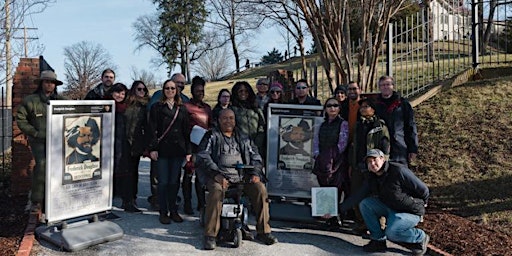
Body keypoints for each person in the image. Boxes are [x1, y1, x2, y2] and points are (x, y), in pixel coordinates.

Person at [196, 109, 278, 250]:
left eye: (231, 118)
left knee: (260, 189)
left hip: (242, 176)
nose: (228, 121)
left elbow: (256, 157)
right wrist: (216, 173)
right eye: (225, 118)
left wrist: (255, 173)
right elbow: (203, 155)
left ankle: (263, 231)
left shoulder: (244, 137)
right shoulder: (211, 136)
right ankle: (210, 235)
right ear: (218, 120)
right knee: (216, 191)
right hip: (218, 176)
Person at [355, 149, 430, 255]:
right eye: (369, 162)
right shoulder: (372, 176)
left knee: (392, 232)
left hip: (409, 210)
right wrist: (337, 210)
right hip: (390, 207)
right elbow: (357, 196)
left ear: (382, 159)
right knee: (366, 204)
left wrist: (423, 203)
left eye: (374, 160)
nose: (372, 163)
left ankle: (420, 237)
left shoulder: (398, 170)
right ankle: (378, 241)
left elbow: (423, 189)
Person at [16, 70, 67, 212]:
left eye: (53, 83)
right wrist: (34, 132)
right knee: (42, 165)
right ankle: (36, 201)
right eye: (47, 82)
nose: (50, 85)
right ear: (41, 83)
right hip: (39, 141)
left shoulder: (62, 101)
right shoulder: (31, 101)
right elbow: (21, 119)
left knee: (61, 167)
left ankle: (57, 197)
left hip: (59, 141)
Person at [148, 79, 192, 224]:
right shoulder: (156, 107)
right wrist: (153, 148)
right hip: (162, 150)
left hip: (178, 149)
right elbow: (152, 130)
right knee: (163, 182)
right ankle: (163, 211)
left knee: (174, 182)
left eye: (173, 88)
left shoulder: (182, 108)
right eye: (167, 88)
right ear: (163, 90)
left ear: (177, 90)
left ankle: (173, 210)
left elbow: (187, 131)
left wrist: (188, 151)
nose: (170, 91)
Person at [349, 97, 390, 233]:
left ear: (373, 109)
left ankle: (378, 226)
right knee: (356, 193)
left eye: (366, 106)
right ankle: (361, 223)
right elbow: (353, 145)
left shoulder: (380, 126)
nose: (363, 109)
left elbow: (385, 146)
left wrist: (382, 165)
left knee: (374, 195)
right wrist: (352, 163)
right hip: (358, 165)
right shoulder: (358, 125)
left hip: (373, 166)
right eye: (361, 107)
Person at [312, 98, 349, 222]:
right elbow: (316, 141)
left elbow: (342, 143)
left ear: (339, 108)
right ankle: (325, 215)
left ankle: (334, 217)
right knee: (324, 187)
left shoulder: (343, 123)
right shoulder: (322, 124)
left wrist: (332, 156)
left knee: (336, 188)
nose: (332, 108)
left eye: (335, 105)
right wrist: (317, 155)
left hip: (336, 161)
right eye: (329, 106)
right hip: (322, 160)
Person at [108, 83, 142, 213]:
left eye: (122, 93)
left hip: (124, 143)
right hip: (108, 145)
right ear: (112, 93)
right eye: (117, 93)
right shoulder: (104, 106)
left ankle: (127, 202)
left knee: (126, 173)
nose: (120, 96)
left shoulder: (126, 108)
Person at [182, 76, 213, 214]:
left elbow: (211, 124)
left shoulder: (207, 108)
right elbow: (182, 126)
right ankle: (187, 203)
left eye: (202, 91)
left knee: (202, 177)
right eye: (197, 91)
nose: (200, 93)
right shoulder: (186, 107)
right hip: (190, 144)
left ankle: (202, 204)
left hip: (203, 146)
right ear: (192, 91)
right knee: (188, 175)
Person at [374, 75, 418, 165]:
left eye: (388, 84)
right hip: (380, 148)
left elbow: (411, 126)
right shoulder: (375, 105)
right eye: (383, 85)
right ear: (379, 87)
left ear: (393, 86)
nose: (385, 87)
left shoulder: (403, 104)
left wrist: (413, 149)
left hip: (400, 148)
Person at [124, 80, 151, 212]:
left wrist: (146, 145)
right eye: (139, 89)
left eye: (144, 90)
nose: (142, 92)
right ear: (133, 89)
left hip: (137, 143)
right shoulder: (127, 105)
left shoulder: (146, 106)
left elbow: (147, 127)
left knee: (133, 172)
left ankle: (131, 199)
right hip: (124, 141)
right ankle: (126, 199)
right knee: (125, 171)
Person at [230, 81, 266, 157]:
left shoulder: (256, 108)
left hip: (257, 146)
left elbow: (262, 125)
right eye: (240, 91)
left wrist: (259, 140)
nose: (243, 93)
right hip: (238, 147)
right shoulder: (232, 109)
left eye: (246, 91)